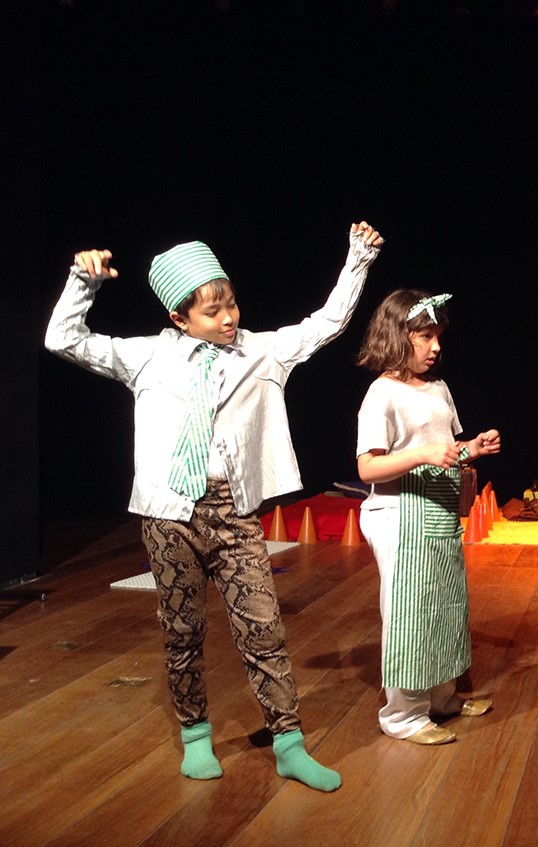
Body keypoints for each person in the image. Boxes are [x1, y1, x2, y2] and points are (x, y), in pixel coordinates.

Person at [44, 222, 385, 792]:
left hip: (233, 511)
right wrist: (84, 282)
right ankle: (196, 736)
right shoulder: (147, 357)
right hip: (168, 513)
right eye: (211, 311)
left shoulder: (260, 351)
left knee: (264, 627)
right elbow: (63, 339)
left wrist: (358, 260)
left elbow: (326, 323)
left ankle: (289, 743)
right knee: (182, 630)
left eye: (230, 304)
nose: (228, 318)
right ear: (179, 318)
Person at [355, 289, 501, 745]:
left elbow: (446, 449)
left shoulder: (438, 388)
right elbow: (368, 467)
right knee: (410, 614)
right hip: (399, 513)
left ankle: (443, 699)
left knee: (445, 605)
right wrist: (423, 454)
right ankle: (403, 716)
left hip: (437, 511)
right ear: (398, 335)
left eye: (438, 336)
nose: (436, 346)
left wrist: (472, 448)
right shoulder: (382, 393)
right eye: (425, 336)